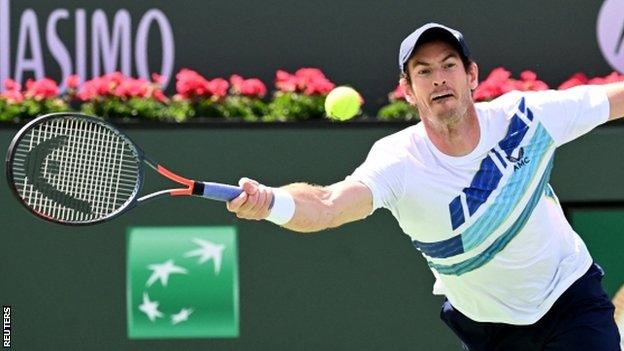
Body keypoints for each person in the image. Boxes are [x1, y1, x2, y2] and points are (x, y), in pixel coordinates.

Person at [227, 22, 624, 350]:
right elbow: (328, 205)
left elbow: (613, 99)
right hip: (489, 328)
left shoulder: (525, 117)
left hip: (570, 297)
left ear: (471, 75)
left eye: (449, 66)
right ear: (408, 91)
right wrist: (270, 203)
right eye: (423, 71)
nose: (439, 80)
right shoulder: (398, 160)